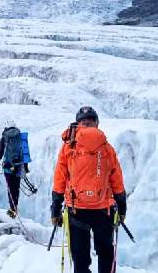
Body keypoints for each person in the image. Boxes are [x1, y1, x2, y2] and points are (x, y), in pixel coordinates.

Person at [51, 106, 127, 273]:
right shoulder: (107, 148)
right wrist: (122, 207)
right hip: (103, 210)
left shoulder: (68, 148)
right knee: (106, 254)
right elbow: (117, 180)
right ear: (96, 123)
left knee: (80, 259)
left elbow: (60, 179)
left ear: (79, 125)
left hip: (76, 210)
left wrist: (55, 208)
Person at [0, 125, 30, 218]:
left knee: (10, 188)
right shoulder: (20, 136)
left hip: (8, 167)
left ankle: (12, 209)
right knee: (16, 187)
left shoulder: (5, 137)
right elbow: (25, 152)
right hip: (18, 166)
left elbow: (0, 152)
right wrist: (25, 167)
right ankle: (15, 208)